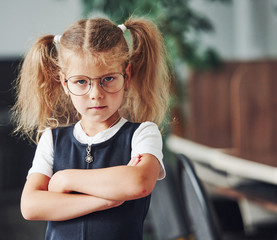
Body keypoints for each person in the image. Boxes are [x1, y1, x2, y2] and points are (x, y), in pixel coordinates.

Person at [12, 16, 171, 240]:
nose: (95, 93)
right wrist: (105, 200)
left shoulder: (143, 133)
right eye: (81, 81)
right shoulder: (52, 139)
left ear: (126, 76)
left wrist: (64, 180)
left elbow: (138, 182)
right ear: (64, 83)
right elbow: (31, 206)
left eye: (107, 79)